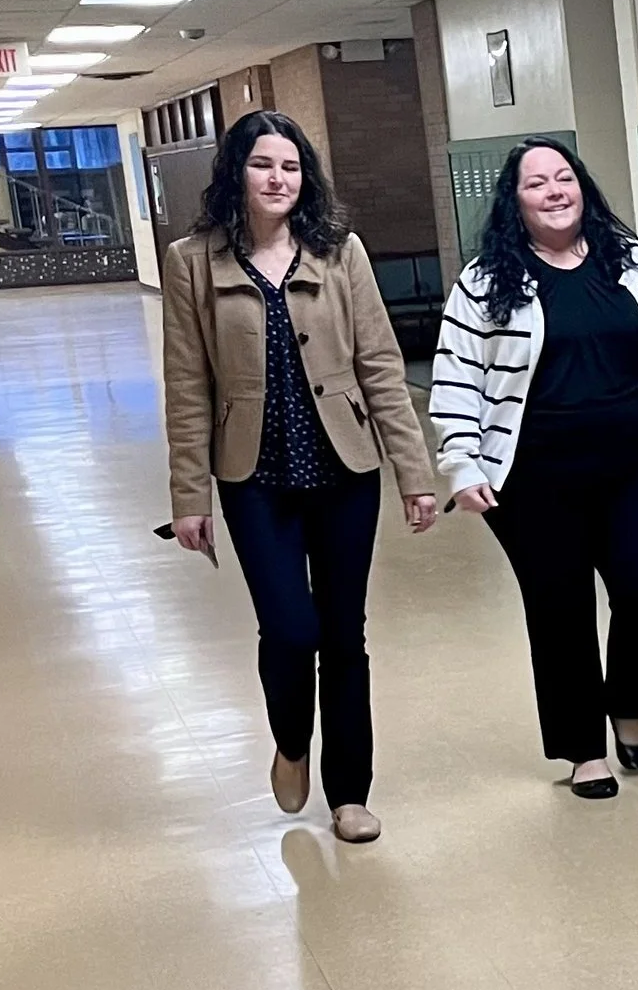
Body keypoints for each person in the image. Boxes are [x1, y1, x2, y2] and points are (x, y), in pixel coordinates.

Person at [163, 110, 437, 844]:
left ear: (305, 177)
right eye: (263, 165)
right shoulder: (193, 259)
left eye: (290, 166)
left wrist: (416, 474)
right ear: (236, 174)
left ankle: (350, 793)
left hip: (345, 469)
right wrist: (189, 496)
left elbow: (381, 366)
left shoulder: (340, 253)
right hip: (253, 477)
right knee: (290, 627)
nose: (278, 178)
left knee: (344, 634)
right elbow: (187, 385)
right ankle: (291, 740)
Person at [432, 137, 638, 799]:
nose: (553, 191)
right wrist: (462, 463)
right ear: (515, 202)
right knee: (559, 607)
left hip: (636, 464)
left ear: (583, 186)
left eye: (563, 177)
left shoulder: (635, 267)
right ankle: (582, 751)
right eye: (535, 183)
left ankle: (627, 700)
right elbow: (457, 381)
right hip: (534, 476)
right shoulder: (486, 283)